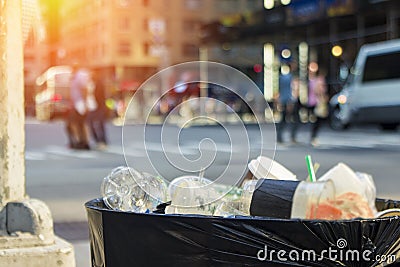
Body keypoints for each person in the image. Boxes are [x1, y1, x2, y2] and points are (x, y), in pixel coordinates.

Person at [66, 64, 91, 150]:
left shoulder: (79, 76)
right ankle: (80, 141)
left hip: (80, 105)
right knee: (76, 124)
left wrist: (84, 103)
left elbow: (84, 89)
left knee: (77, 124)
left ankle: (82, 142)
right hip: (75, 104)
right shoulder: (73, 78)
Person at [276, 64, 299, 144]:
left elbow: (280, 90)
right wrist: (291, 102)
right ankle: (292, 137)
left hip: (283, 100)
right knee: (295, 119)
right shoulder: (290, 78)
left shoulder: (281, 78)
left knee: (283, 119)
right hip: (289, 100)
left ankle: (279, 137)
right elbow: (291, 91)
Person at [307, 65, 329, 147]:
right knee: (318, 121)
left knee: (315, 121)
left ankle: (313, 137)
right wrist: (323, 97)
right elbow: (319, 91)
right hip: (317, 103)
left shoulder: (312, 80)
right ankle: (313, 137)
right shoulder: (320, 80)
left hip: (312, 102)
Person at [87, 72, 108, 150]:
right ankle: (97, 141)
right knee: (90, 123)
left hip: (99, 107)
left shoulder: (99, 84)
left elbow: (101, 97)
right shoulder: (90, 84)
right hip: (92, 107)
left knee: (100, 124)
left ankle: (102, 141)